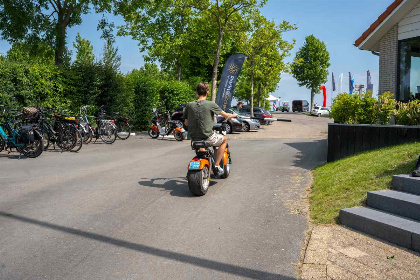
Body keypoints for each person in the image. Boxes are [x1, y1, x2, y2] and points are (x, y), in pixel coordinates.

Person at [184, 83, 237, 176]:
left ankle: (207, 165)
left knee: (203, 150)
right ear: (207, 92)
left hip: (194, 138)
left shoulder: (189, 105)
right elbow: (226, 115)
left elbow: (186, 123)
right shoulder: (210, 104)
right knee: (224, 140)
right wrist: (234, 115)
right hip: (208, 137)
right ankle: (216, 166)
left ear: (196, 92)